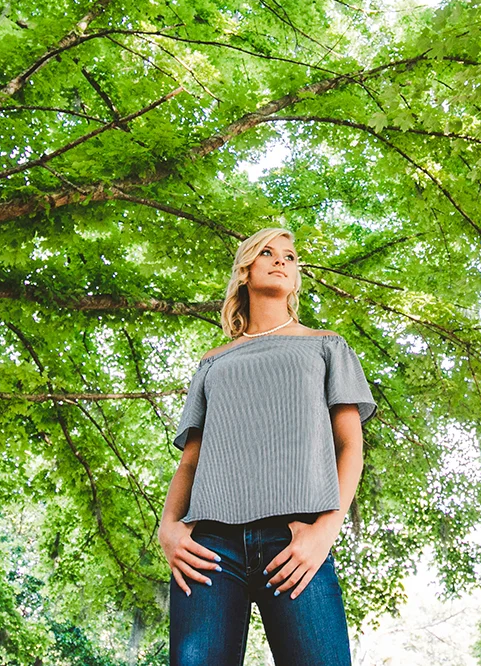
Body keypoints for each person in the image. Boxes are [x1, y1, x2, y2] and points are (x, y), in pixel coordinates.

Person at [157, 227, 377, 666]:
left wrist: (324, 533)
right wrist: (168, 528)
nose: (281, 261)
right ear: (245, 271)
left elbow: (351, 445)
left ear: (295, 279)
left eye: (290, 257)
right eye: (268, 253)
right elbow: (191, 460)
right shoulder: (213, 361)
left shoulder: (326, 346)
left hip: (294, 543)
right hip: (210, 549)